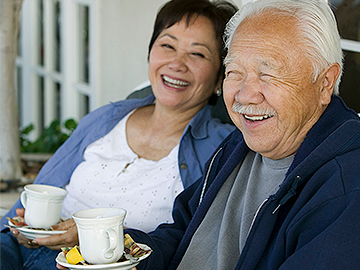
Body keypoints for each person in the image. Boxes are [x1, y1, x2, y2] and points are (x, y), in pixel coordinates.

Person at [121, 0, 360, 269]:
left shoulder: (346, 184)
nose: (244, 95)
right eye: (234, 72)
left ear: (325, 82)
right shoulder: (241, 143)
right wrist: (120, 254)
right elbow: (181, 235)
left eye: (268, 74)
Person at [0, 0, 237, 269]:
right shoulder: (107, 118)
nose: (177, 63)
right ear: (151, 52)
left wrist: (93, 238)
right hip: (17, 250)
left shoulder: (222, 150)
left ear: (221, 76)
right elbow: (42, 188)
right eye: (167, 46)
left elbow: (196, 242)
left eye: (198, 54)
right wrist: (26, 230)